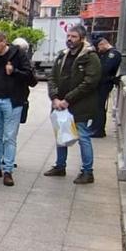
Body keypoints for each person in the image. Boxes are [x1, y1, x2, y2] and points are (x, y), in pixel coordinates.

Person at [45, 24, 102, 184]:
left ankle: (87, 171)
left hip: (79, 105)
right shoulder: (62, 55)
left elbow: (90, 82)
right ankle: (60, 166)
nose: (69, 39)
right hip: (59, 104)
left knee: (83, 136)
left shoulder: (90, 57)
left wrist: (68, 99)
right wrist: (55, 98)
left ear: (82, 38)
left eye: (73, 37)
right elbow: (52, 77)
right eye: (68, 36)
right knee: (60, 135)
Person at [0, 32, 36, 186]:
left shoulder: (18, 54)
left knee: (9, 137)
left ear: (4, 42)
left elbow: (32, 79)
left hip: (12, 101)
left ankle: (8, 169)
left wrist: (14, 72)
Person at [92, 33, 122, 138]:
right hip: (100, 84)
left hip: (105, 84)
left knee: (100, 107)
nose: (98, 50)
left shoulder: (113, 54)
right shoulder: (106, 54)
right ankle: (94, 127)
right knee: (96, 106)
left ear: (103, 44)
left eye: (98, 47)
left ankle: (98, 130)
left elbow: (105, 69)